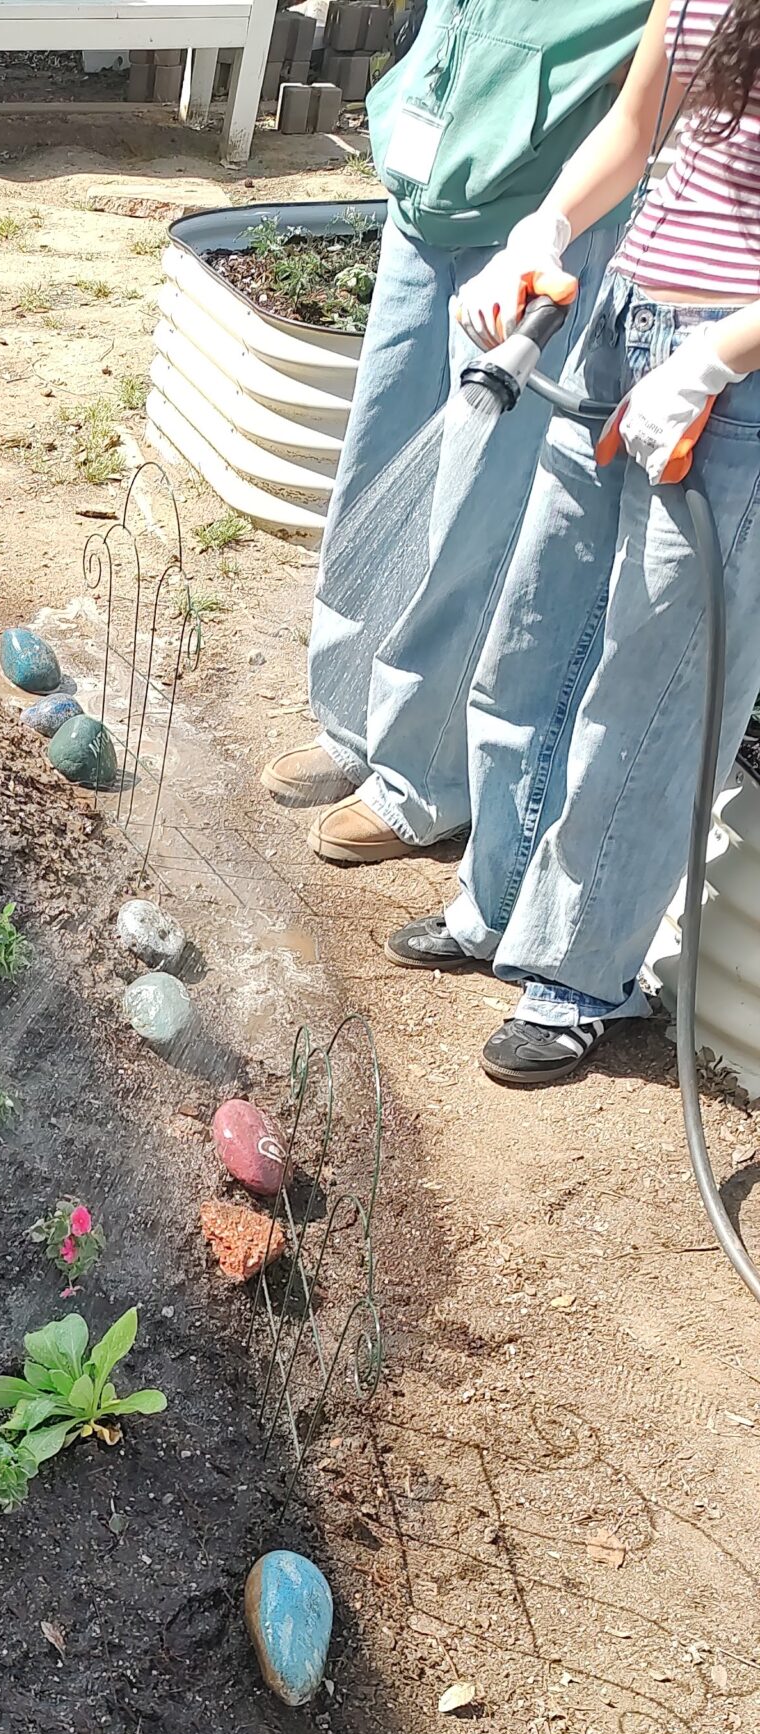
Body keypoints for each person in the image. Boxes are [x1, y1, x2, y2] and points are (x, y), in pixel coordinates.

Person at [385, 0, 760, 1084]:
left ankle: (583, 972)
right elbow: (636, 128)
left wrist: (717, 359)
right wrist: (545, 229)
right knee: (538, 627)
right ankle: (496, 901)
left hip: (733, 375)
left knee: (650, 681)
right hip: (624, 316)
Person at [263, 0, 646, 864]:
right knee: (377, 465)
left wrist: (553, 225)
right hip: (429, 186)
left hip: (541, 209)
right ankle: (353, 721)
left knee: (472, 505)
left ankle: (423, 775)